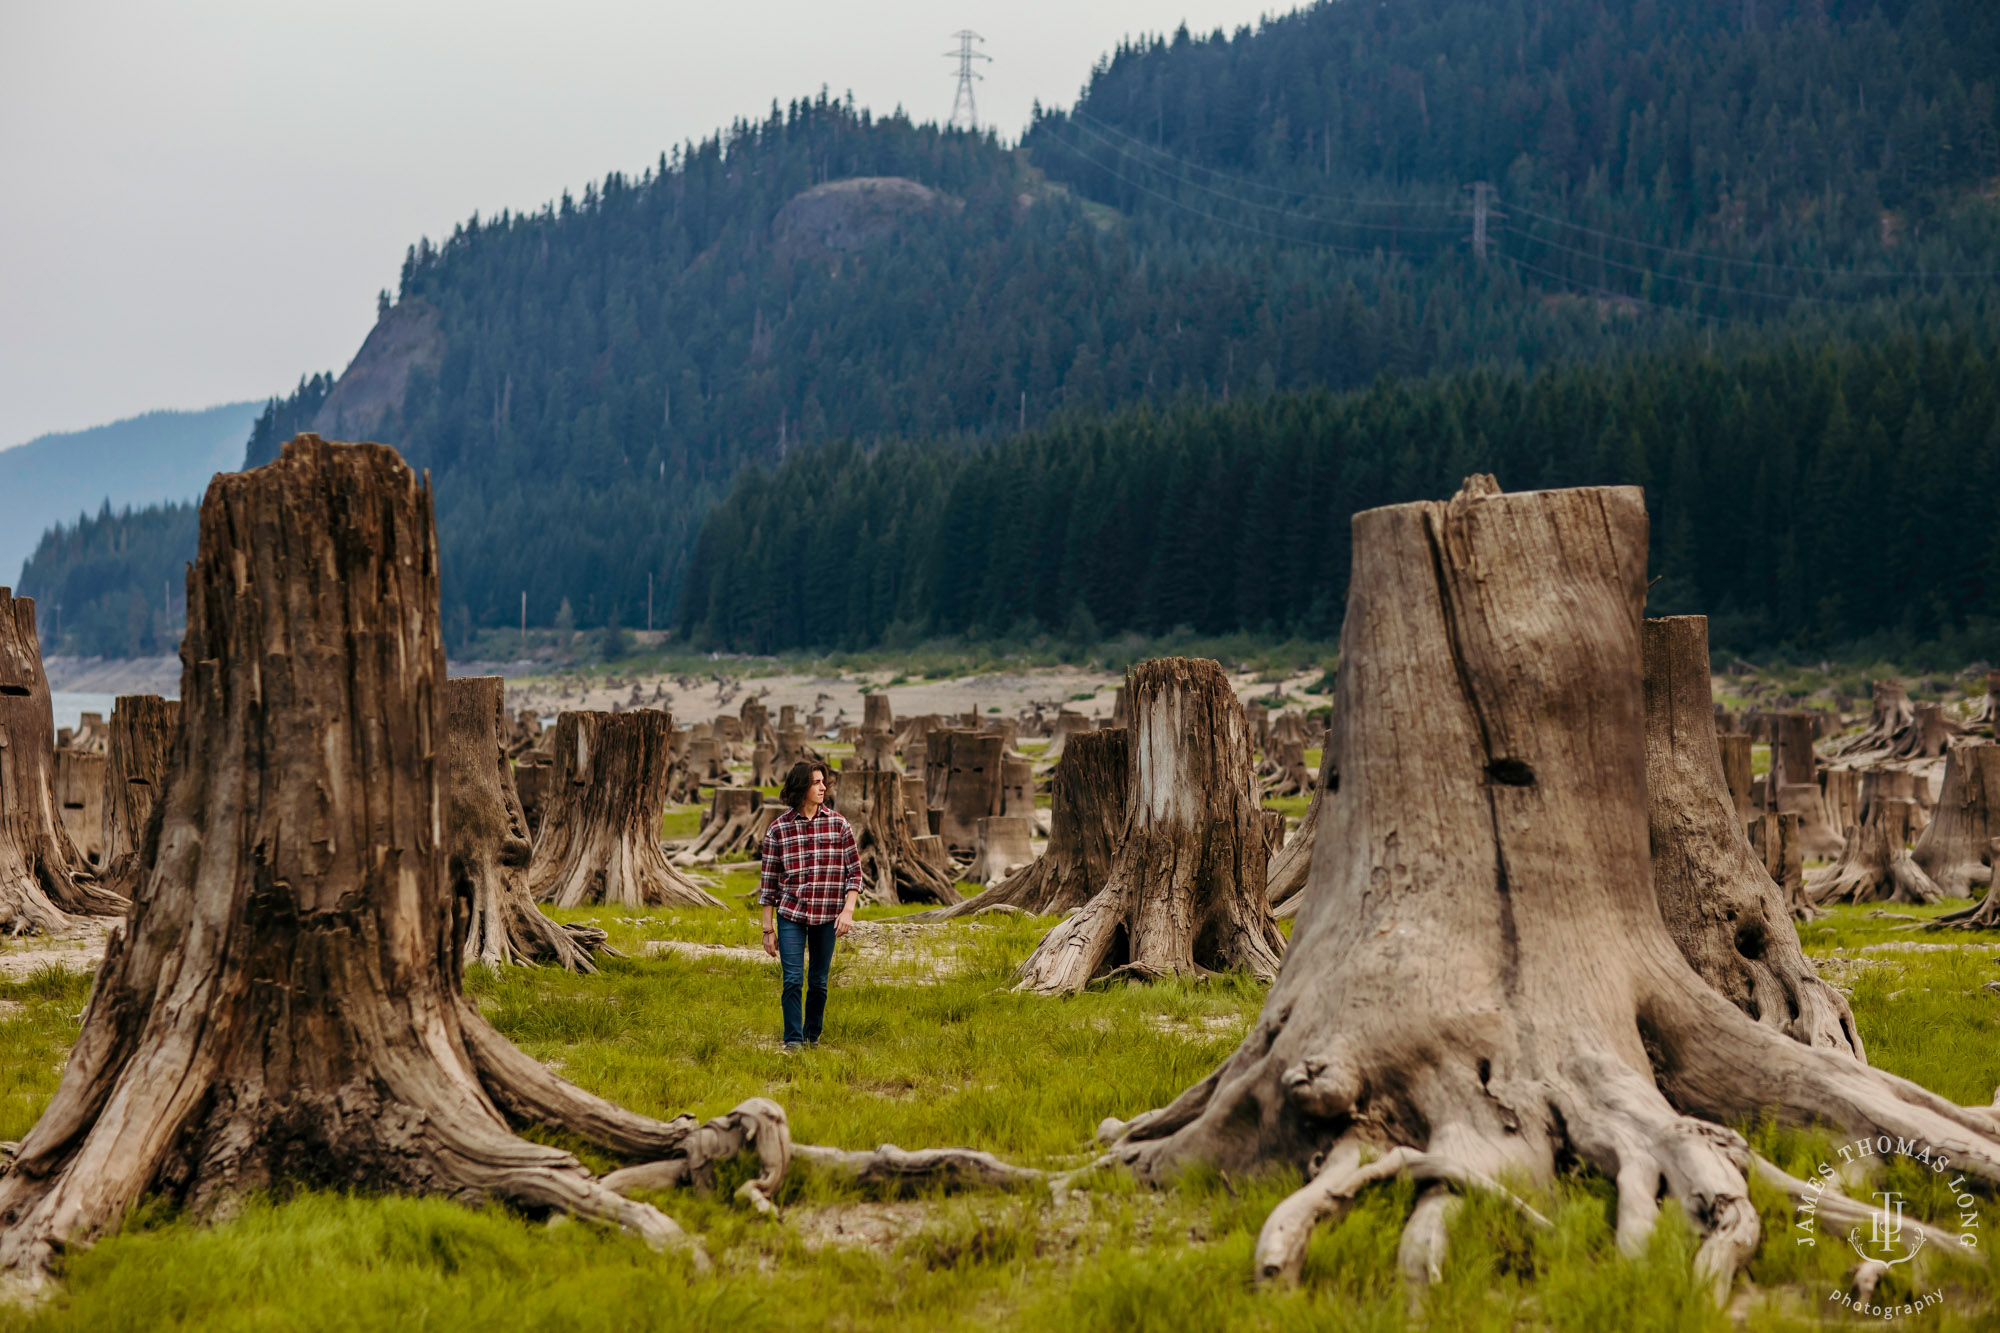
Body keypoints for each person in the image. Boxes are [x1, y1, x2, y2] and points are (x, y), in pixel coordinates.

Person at [758, 760, 861, 1051]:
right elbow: (769, 884)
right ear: (801, 787)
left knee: (818, 982)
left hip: (828, 915)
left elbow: (854, 872)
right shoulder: (778, 829)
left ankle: (811, 1038)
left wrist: (847, 910)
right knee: (792, 979)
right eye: (816, 782)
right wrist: (768, 930)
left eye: (823, 782)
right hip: (791, 914)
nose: (823, 787)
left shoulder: (839, 824)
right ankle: (792, 1042)